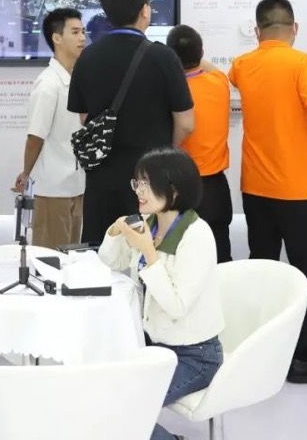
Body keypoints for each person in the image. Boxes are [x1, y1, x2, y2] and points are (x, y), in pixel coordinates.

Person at [228, 0, 307, 384]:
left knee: (263, 269)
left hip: (255, 189)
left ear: (257, 30)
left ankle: (262, 354)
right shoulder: (302, 63)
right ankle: (303, 356)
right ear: (294, 28)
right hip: (299, 191)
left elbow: (228, 76)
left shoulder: (242, 64)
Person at [98, 147, 224, 440]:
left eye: (147, 184)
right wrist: (115, 232)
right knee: (100, 394)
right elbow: (110, 262)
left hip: (196, 357)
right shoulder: (149, 225)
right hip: (154, 347)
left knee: (125, 410)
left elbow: (177, 306)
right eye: (138, 183)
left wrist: (148, 253)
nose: (139, 191)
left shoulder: (197, 235)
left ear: (174, 190)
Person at [68, 0, 194, 246]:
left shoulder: (87, 57)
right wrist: (163, 154)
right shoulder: (163, 57)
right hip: (151, 180)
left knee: (101, 251)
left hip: (101, 179)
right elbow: (185, 123)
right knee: (149, 253)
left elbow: (84, 118)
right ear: (145, 10)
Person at [13, 8, 87, 248]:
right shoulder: (48, 84)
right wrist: (26, 174)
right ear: (57, 38)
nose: (82, 38)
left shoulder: (74, 79)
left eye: (83, 31)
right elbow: (35, 137)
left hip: (75, 186)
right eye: (75, 32)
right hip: (51, 190)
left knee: (71, 259)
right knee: (49, 259)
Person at [166, 24, 234, 262]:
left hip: (181, 185)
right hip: (215, 187)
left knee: (178, 258)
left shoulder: (172, 92)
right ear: (202, 52)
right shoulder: (219, 81)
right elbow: (207, 66)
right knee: (219, 255)